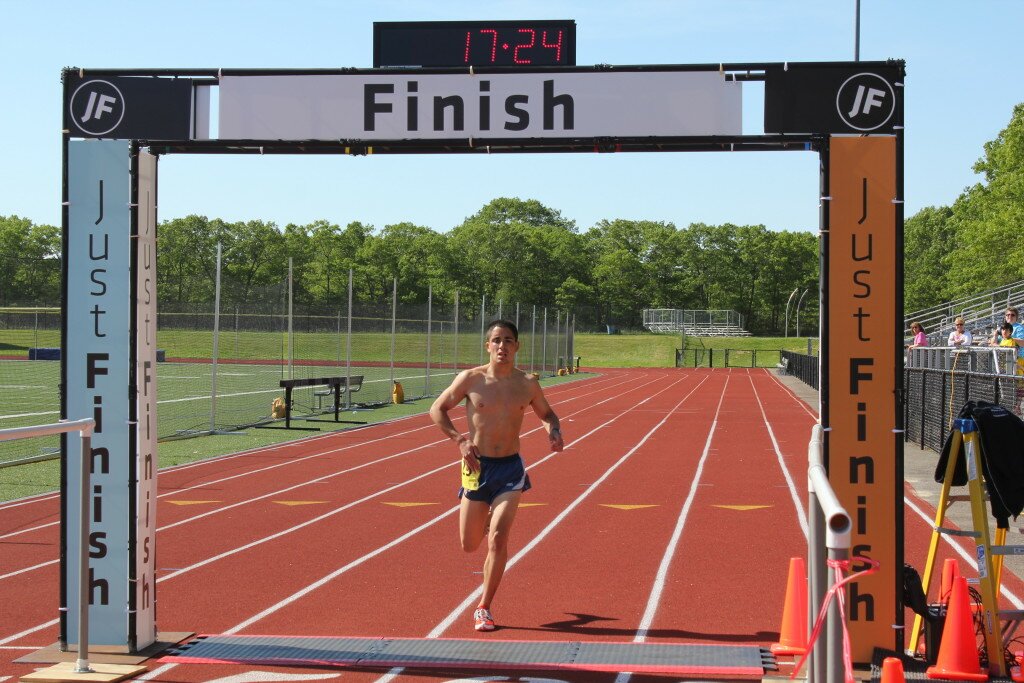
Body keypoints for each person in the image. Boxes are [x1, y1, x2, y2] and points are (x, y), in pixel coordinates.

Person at [429, 319, 564, 632]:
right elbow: (437, 409)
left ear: (517, 346)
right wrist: (460, 440)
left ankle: (484, 607)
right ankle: (486, 519)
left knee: (499, 539)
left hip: (510, 469)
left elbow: (547, 414)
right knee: (469, 544)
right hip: (477, 468)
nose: (502, 346)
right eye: (497, 340)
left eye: (508, 341)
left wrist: (554, 431)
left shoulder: (527, 383)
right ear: (487, 345)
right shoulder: (471, 379)